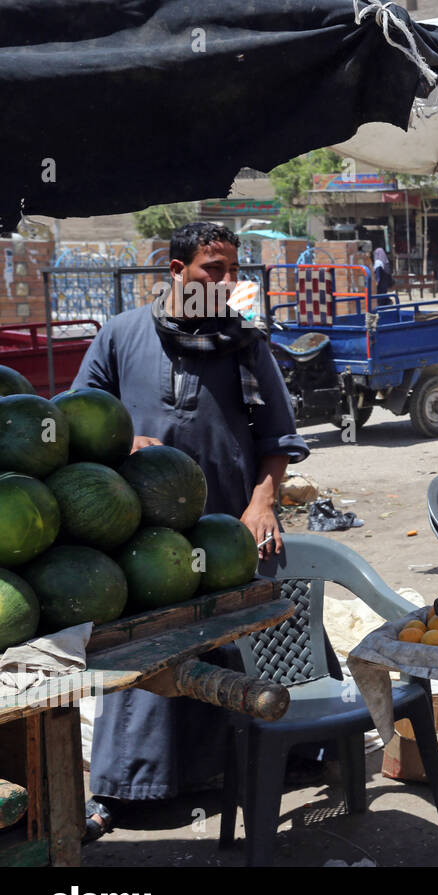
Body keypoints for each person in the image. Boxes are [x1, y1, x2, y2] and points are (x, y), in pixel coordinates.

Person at [73, 222, 309, 840]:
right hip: (141, 533)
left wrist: (262, 504)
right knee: (144, 646)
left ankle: (237, 769)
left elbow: (276, 437)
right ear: (176, 271)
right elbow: (79, 417)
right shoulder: (121, 335)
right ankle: (128, 788)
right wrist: (122, 442)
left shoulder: (246, 345)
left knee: (227, 639)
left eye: (233, 270)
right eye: (213, 268)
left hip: (226, 525)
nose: (227, 282)